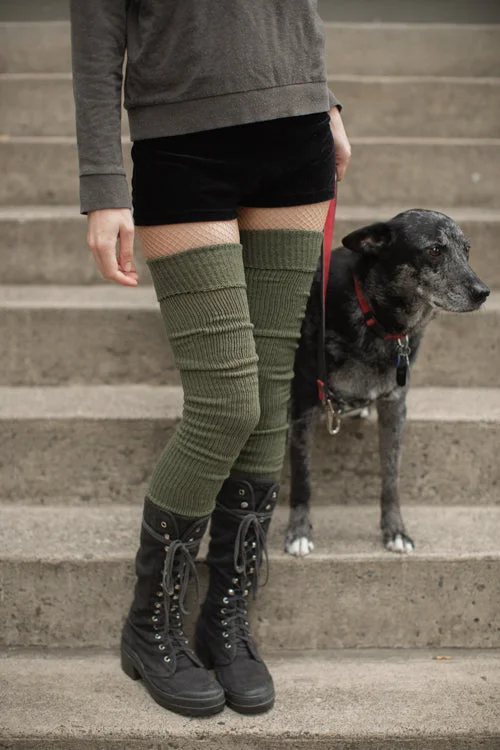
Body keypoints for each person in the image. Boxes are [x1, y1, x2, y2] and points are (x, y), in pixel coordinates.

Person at [70, 0, 351, 718]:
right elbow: (97, 30)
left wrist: (327, 101)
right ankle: (149, 624)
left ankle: (224, 616)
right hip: (183, 142)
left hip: (298, 130)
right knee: (226, 403)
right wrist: (103, 183)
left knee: (267, 395)